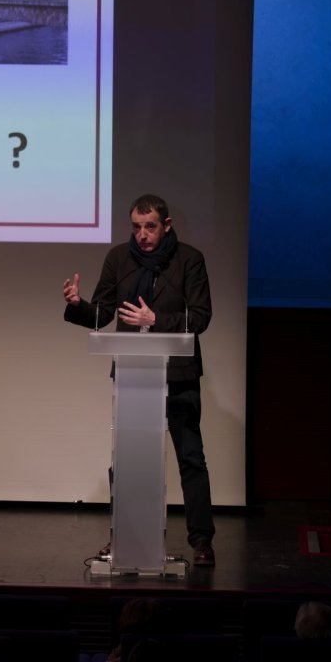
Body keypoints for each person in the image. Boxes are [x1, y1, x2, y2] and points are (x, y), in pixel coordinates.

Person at [62, 194, 215, 565]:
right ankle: (124, 538)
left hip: (177, 375)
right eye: (136, 226)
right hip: (133, 375)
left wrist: (155, 321)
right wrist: (78, 303)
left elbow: (200, 317)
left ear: (166, 225)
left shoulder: (189, 260)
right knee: (127, 460)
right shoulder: (119, 258)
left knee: (190, 459)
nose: (142, 235)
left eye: (149, 227)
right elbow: (102, 314)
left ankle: (202, 542)